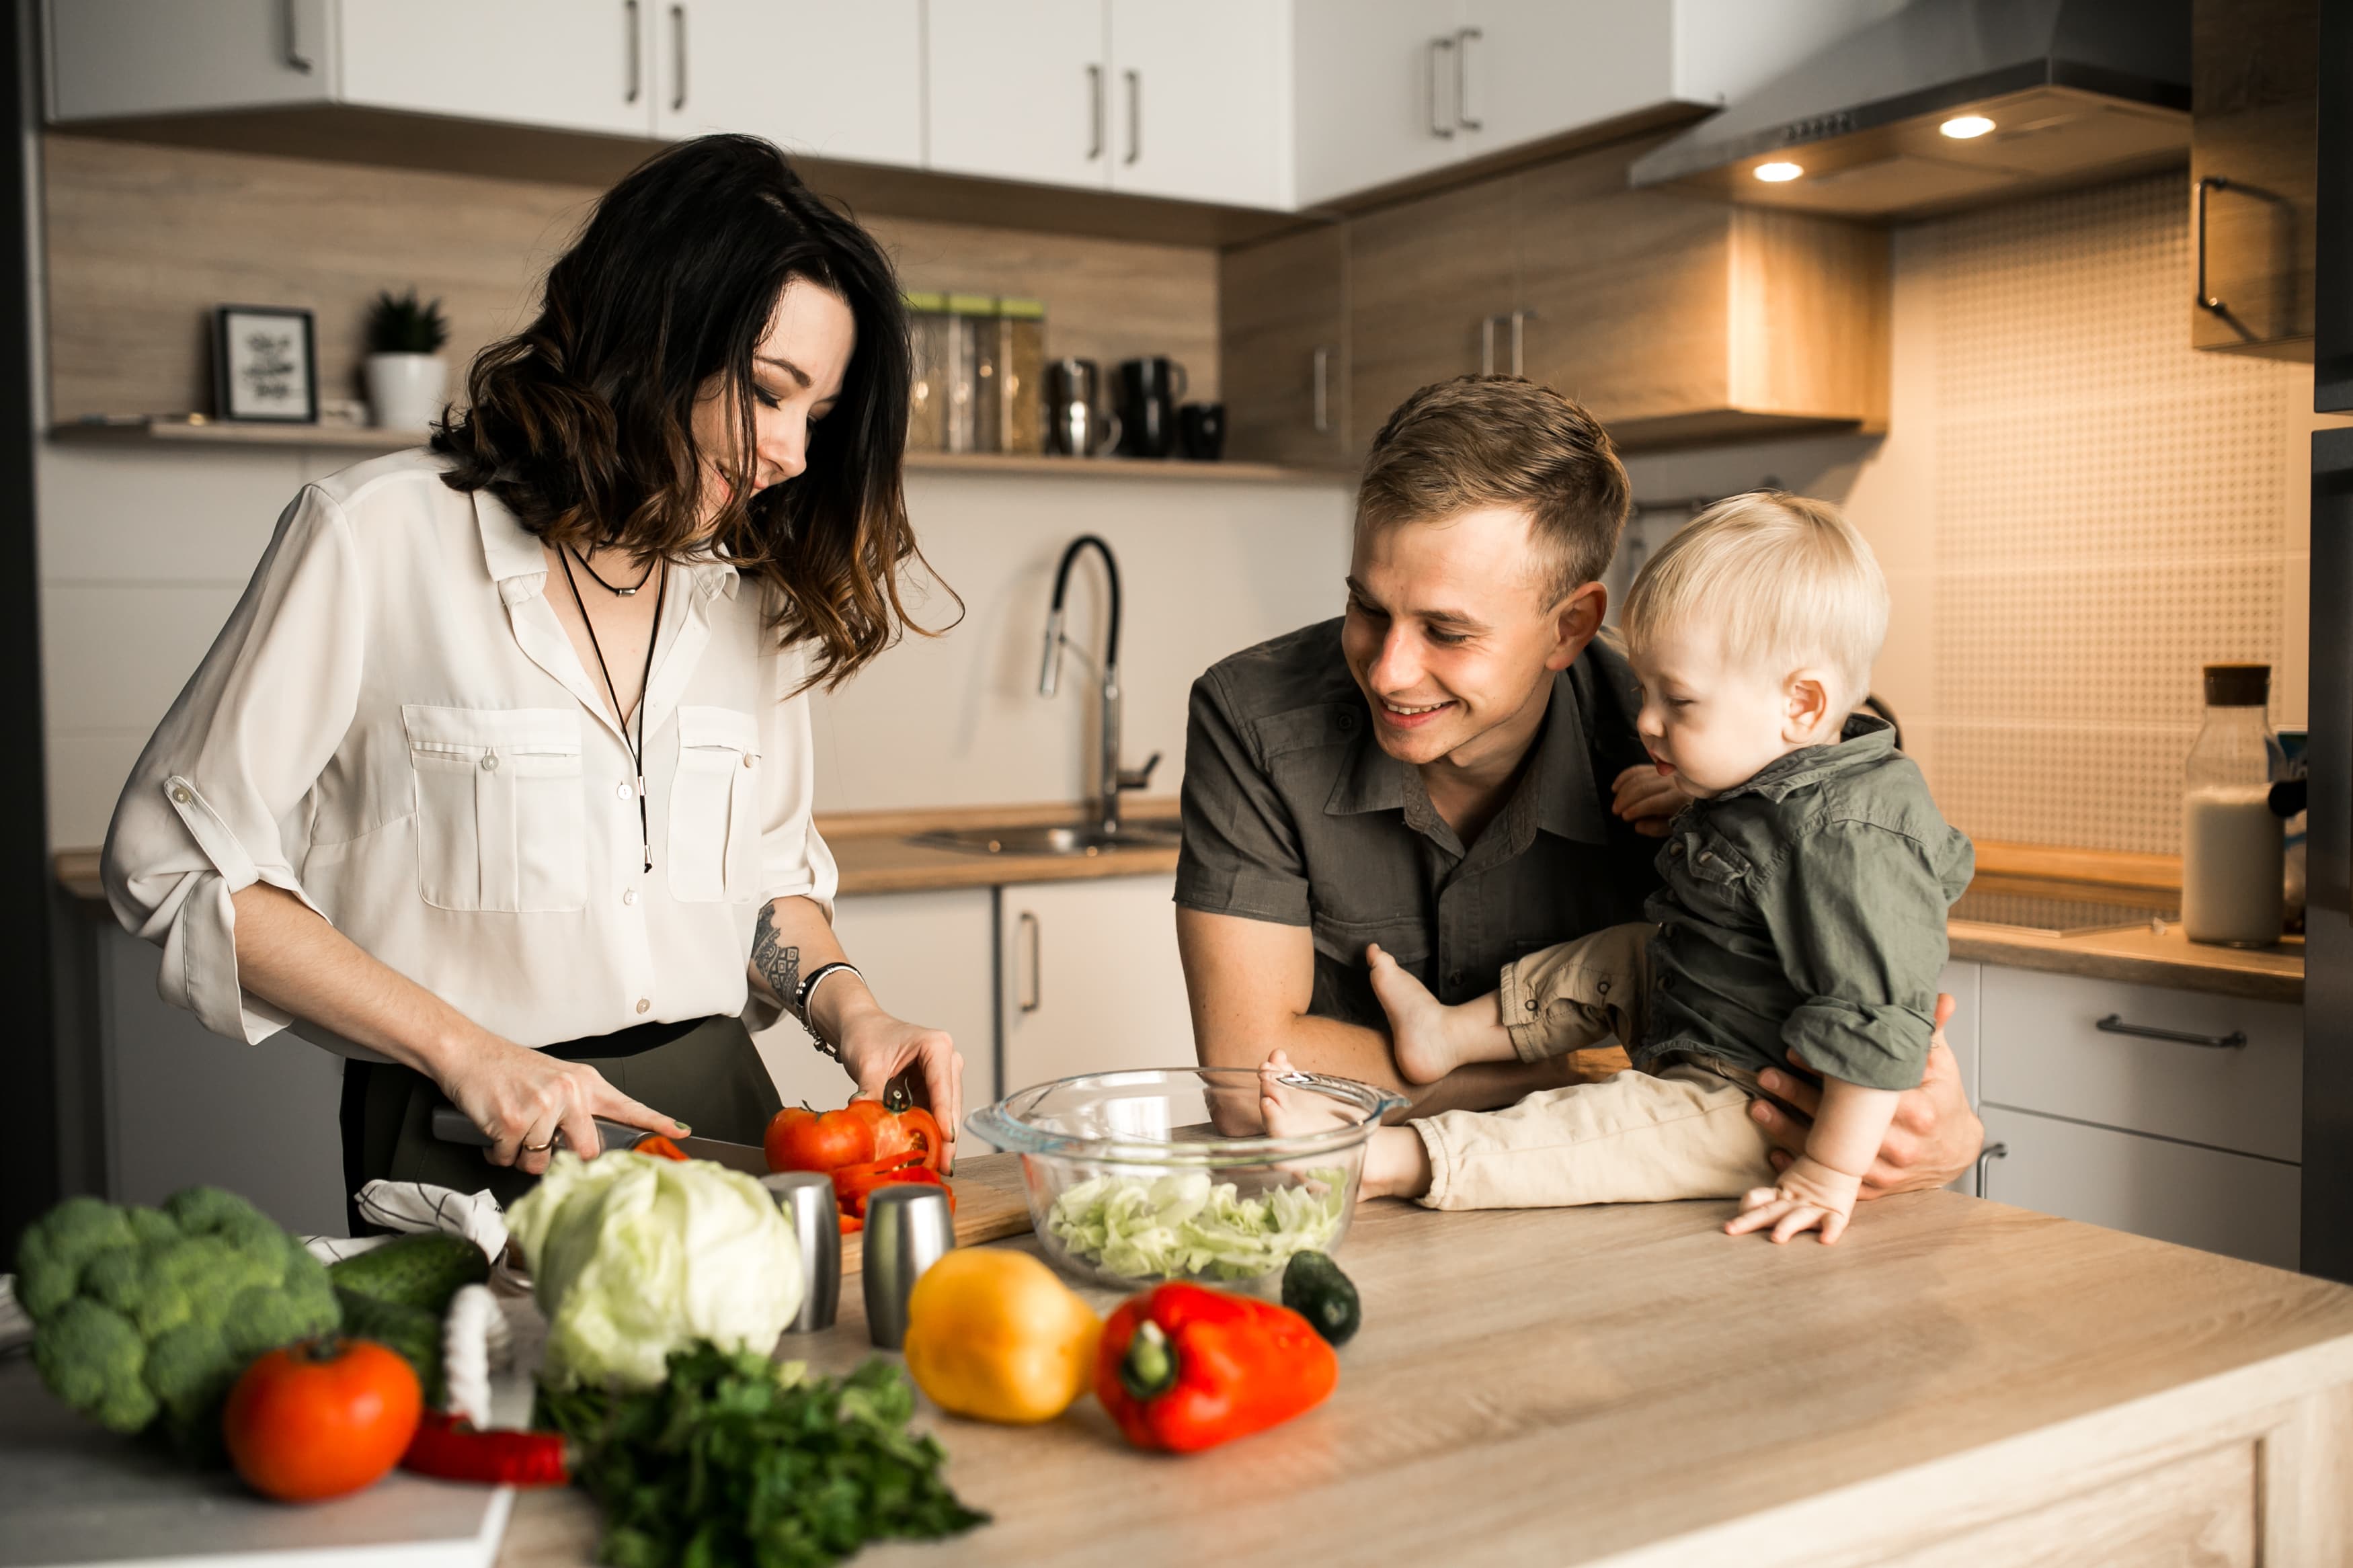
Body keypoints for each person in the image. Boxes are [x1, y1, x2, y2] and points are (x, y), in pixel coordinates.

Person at [102, 135, 964, 1221]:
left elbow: (759, 888)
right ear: (650, 336)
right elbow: (176, 859)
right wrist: (463, 1049)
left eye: (817, 417)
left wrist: (852, 1009)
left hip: (724, 1117)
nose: (792, 451)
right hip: (473, 1131)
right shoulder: (378, 536)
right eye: (767, 391)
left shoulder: (746, 588)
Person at [1180, 378, 1981, 1196]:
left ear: (1570, 626)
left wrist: (1943, 1131)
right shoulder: (1254, 717)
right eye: (1367, 607)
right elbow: (1249, 1084)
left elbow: (1870, 1024)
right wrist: (1595, 1071)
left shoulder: (1690, 731)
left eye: (1447, 631)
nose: (1388, 671)